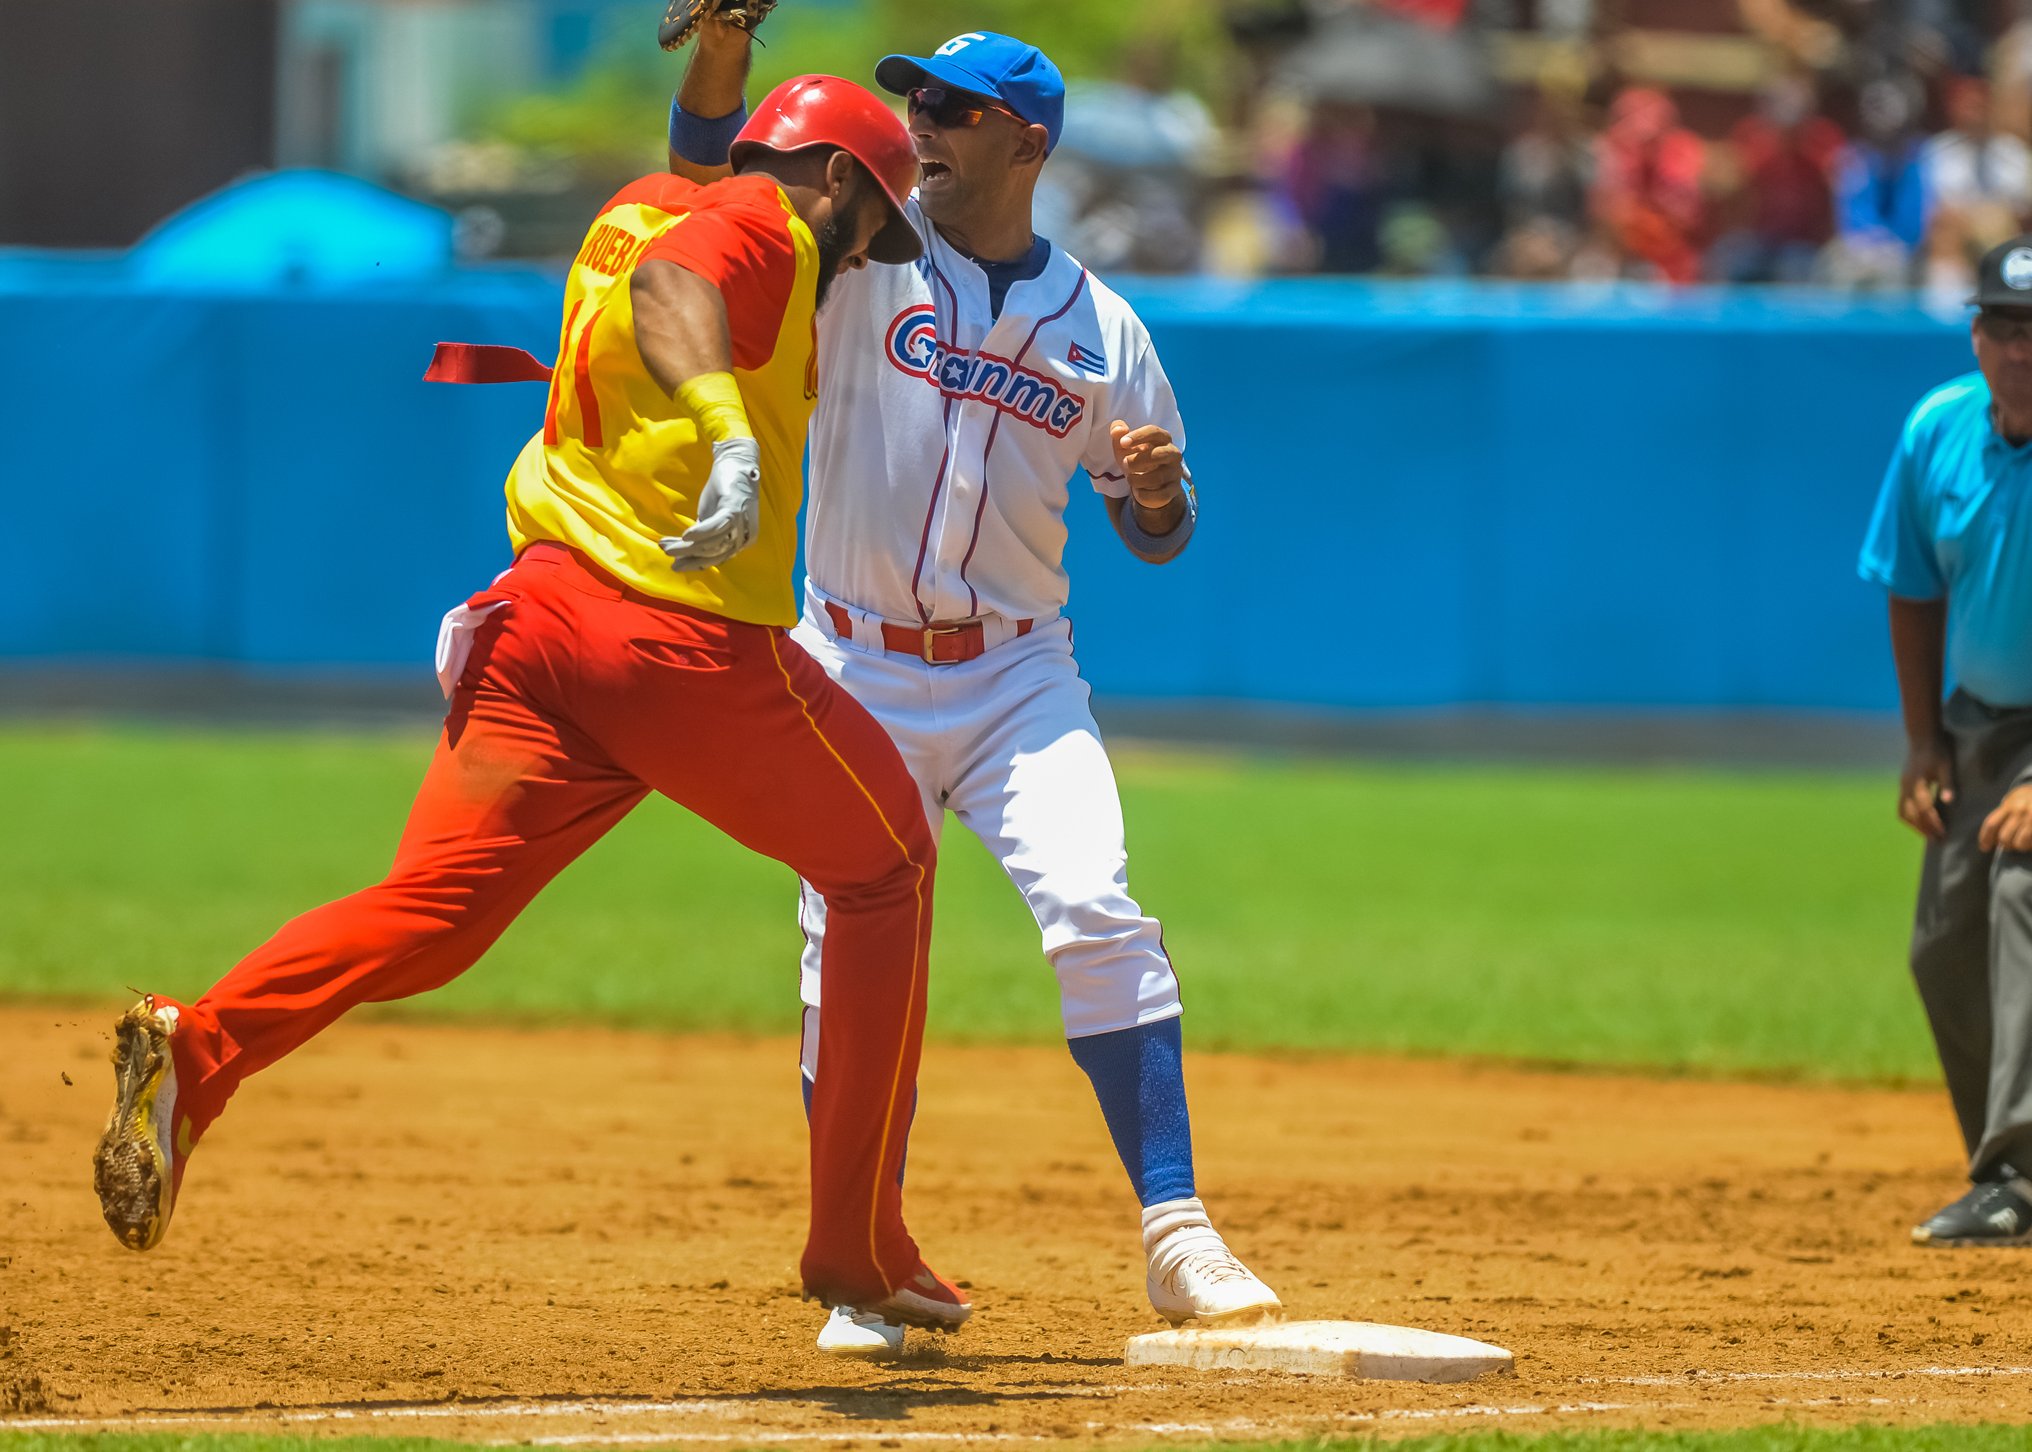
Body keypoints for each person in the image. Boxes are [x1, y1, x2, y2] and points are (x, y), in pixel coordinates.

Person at [90, 75, 972, 1330]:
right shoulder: (775, 233)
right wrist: (726, 428)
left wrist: (710, 75)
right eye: (873, 221)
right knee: (887, 868)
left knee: (431, 916)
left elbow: (686, 206)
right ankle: (856, 1251)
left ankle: (200, 1047)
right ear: (834, 179)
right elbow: (689, 285)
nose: (867, 254)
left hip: (539, 629)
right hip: (672, 646)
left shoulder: (637, 205)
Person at [668, 22, 1281, 1356]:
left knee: (1097, 909)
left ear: (1028, 142)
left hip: (1016, 675)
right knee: (849, 948)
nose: (925, 125)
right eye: (918, 103)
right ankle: (862, 1259)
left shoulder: (1103, 330)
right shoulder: (861, 263)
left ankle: (1179, 1240)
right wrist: (720, 54)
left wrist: (1165, 496)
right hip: (849, 666)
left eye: (953, 109)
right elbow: (710, 182)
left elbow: (1157, 525)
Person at [1859, 234, 2032, 1246]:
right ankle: (2000, 1167)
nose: (2021, 351)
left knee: (2022, 894)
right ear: (1975, 337)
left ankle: (2015, 1173)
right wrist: (1921, 739)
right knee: (1941, 948)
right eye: (2005, 328)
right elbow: (1911, 589)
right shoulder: (1937, 430)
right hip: (1973, 720)